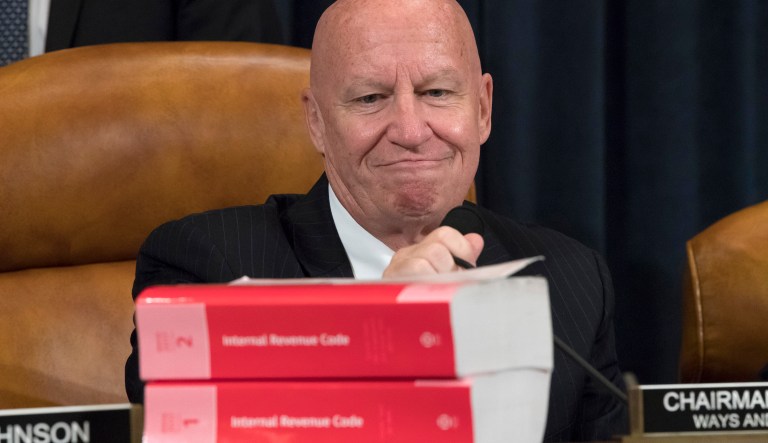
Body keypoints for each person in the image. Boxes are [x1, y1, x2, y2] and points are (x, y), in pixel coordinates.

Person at [125, 0, 628, 440]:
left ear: (482, 108)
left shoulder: (571, 282)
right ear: (317, 122)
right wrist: (379, 329)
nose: (410, 131)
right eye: (370, 98)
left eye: (436, 93)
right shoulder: (204, 267)